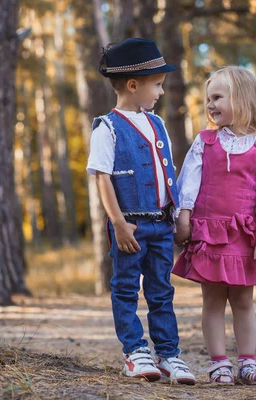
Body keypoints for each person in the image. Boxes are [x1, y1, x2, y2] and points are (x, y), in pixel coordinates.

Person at [86, 38, 196, 384]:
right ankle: (135, 352)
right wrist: (118, 223)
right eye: (157, 85)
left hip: (161, 225)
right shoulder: (107, 127)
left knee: (162, 289)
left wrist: (178, 214)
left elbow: (168, 174)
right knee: (125, 288)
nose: (161, 92)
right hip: (130, 226)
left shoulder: (158, 124)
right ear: (133, 85)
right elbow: (102, 178)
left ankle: (169, 354)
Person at [173, 66, 256, 385]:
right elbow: (188, 182)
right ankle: (219, 363)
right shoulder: (205, 142)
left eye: (217, 97)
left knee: (244, 300)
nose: (210, 105)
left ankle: (248, 362)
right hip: (209, 233)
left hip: (244, 237)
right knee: (213, 300)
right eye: (209, 99)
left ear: (242, 99)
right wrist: (183, 217)